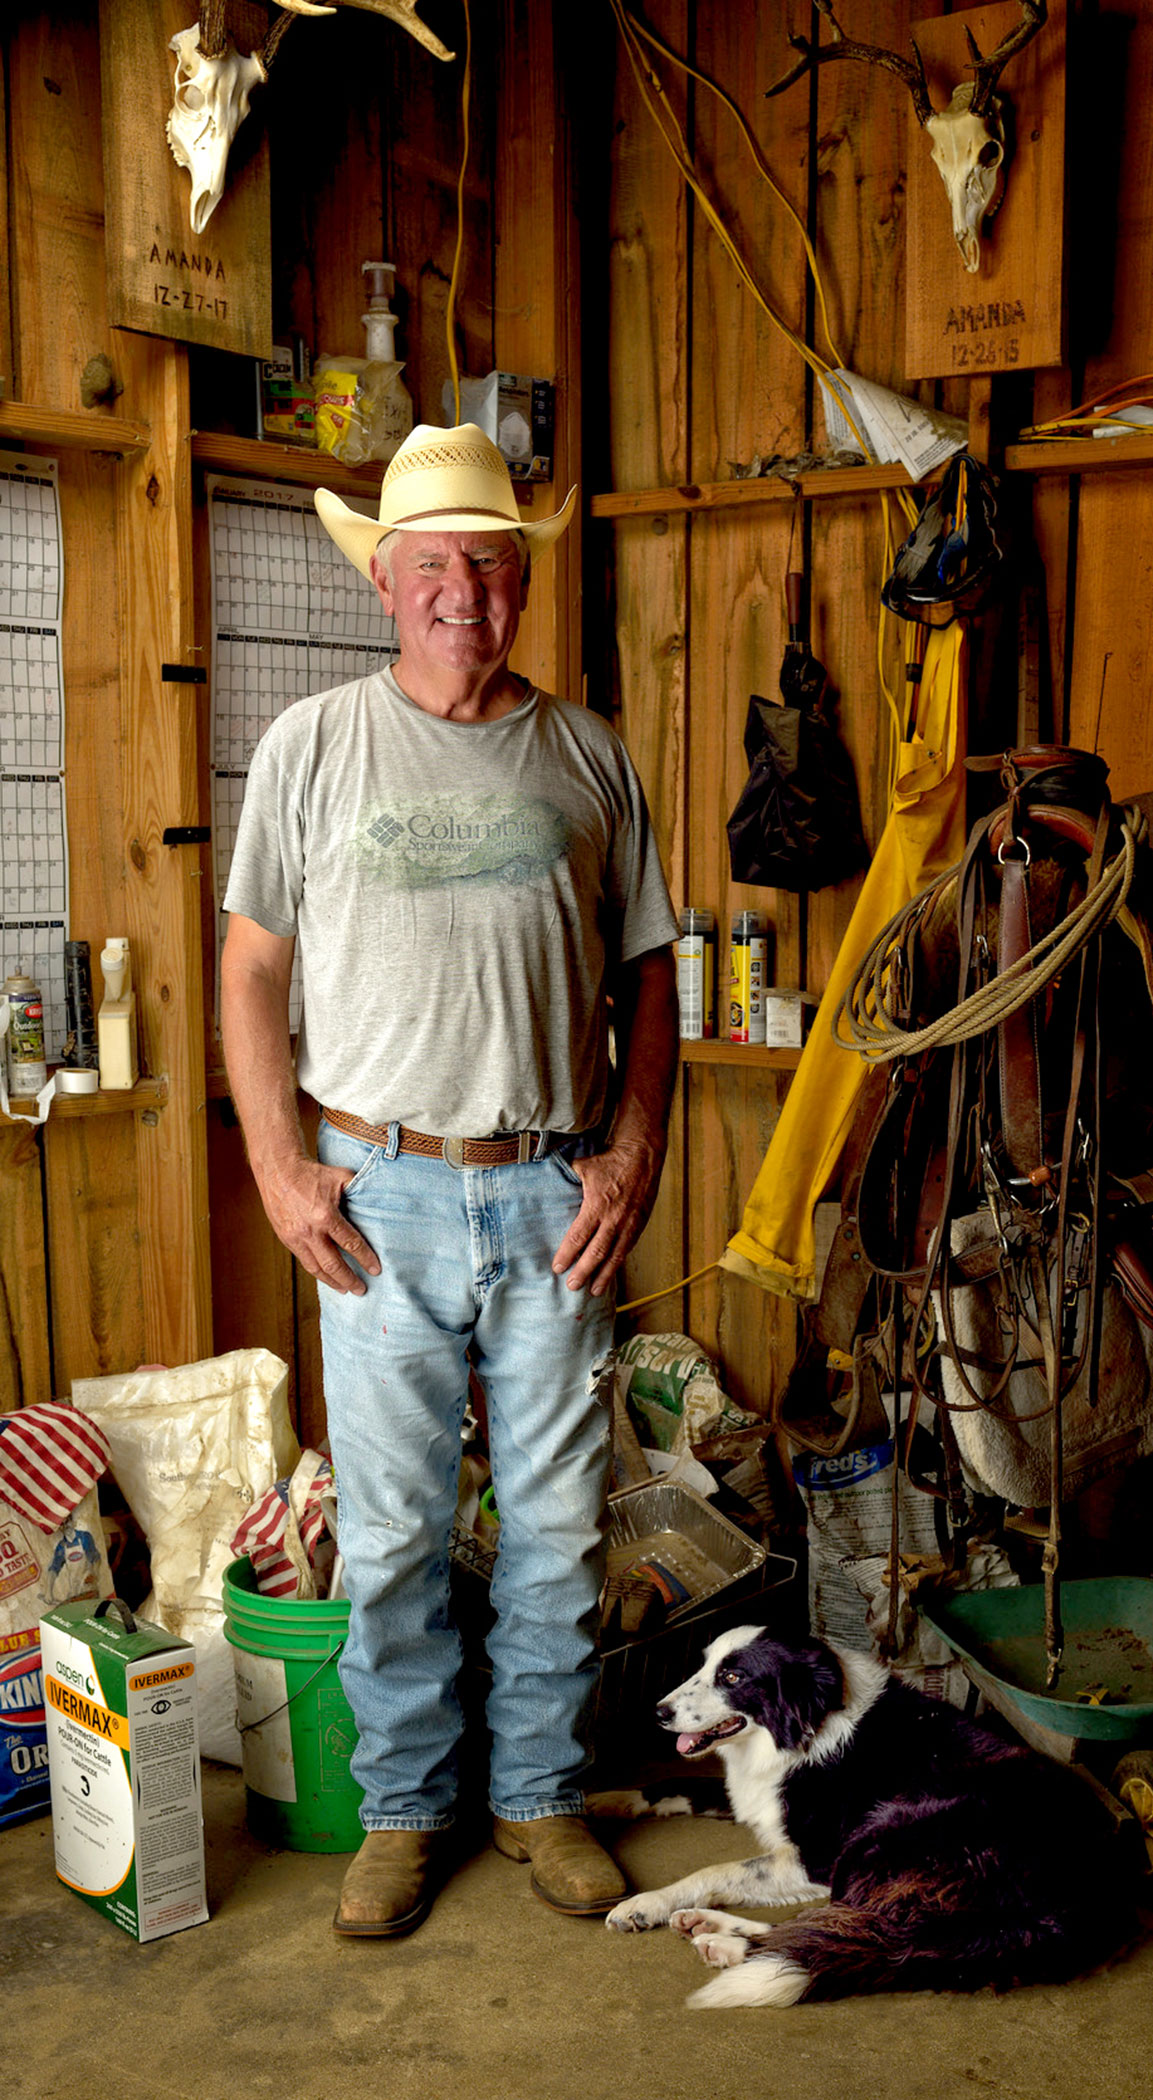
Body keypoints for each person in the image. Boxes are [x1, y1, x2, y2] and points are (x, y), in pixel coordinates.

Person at [220, 423, 680, 1938]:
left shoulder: (589, 752)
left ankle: (539, 1794)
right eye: (433, 565)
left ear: (523, 578)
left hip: (551, 1187)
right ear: (386, 582)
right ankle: (409, 1812)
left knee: (556, 1521)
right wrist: (283, 1168)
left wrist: (637, 1149)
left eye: (488, 562)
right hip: (377, 1195)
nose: (462, 591)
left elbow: (649, 977)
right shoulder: (310, 746)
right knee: (401, 1526)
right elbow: (249, 974)